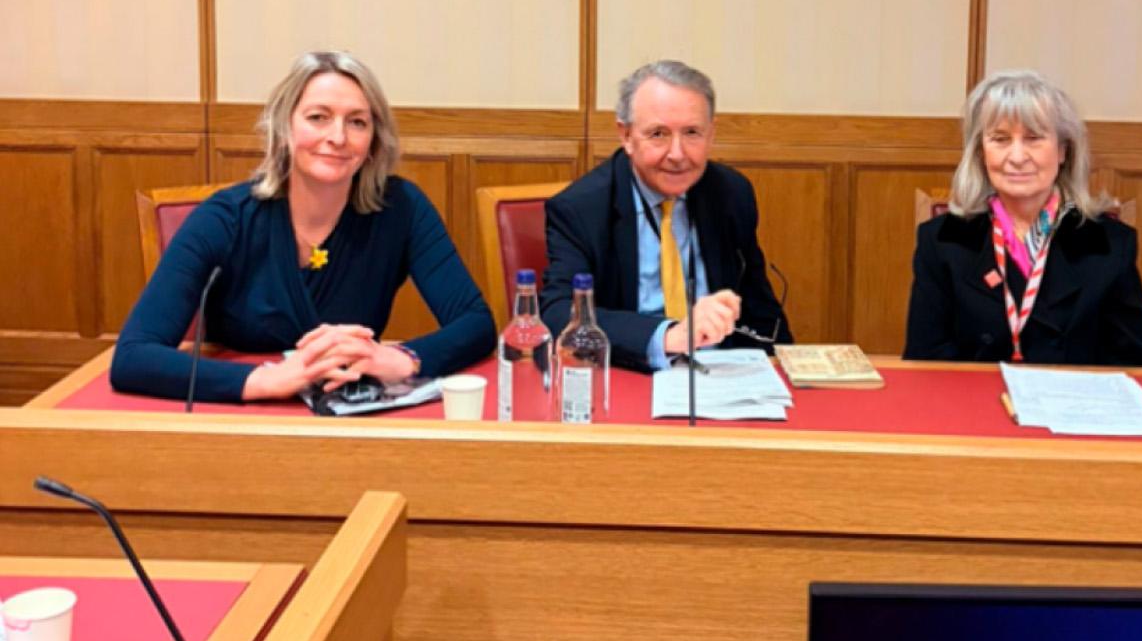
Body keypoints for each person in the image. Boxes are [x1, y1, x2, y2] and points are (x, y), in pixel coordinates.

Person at [111, 51, 496, 402]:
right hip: (243, 417)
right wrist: (266, 381)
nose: (338, 137)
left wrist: (403, 358)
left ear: (373, 142)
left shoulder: (402, 208)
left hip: (350, 415)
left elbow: (476, 322)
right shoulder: (223, 218)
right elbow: (133, 357)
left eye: (357, 122)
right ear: (284, 129)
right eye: (318, 117)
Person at [542, 60, 791, 371]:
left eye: (692, 133)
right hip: (629, 371)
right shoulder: (581, 208)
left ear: (711, 135)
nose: (677, 154)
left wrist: (786, 375)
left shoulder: (730, 193)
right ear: (626, 135)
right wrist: (667, 336)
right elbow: (558, 314)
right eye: (658, 134)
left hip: (720, 373)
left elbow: (760, 307)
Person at [903, 69, 1142, 366]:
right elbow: (926, 361)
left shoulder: (1110, 243)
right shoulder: (941, 240)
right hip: (976, 395)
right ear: (981, 153)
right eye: (1000, 139)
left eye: (1033, 138)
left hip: (1071, 395)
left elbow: (1136, 363)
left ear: (1063, 151)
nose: (1017, 157)